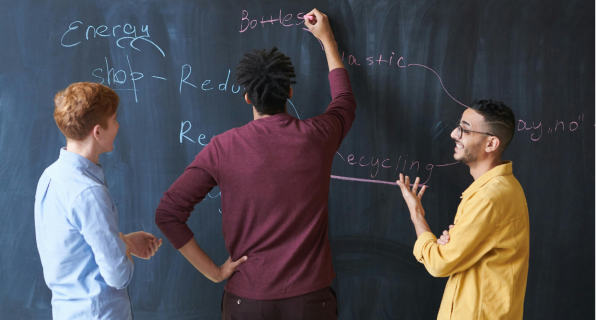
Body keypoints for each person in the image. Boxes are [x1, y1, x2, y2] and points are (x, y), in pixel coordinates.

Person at [155, 8, 354, 320]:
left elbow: (168, 214)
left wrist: (214, 272)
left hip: (246, 301)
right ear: (289, 92)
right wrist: (327, 39)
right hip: (310, 302)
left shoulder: (222, 148)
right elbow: (344, 102)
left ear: (248, 97)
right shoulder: (318, 137)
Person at [35, 82, 162, 320]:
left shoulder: (50, 176)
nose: (118, 125)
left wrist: (123, 241)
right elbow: (118, 275)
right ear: (97, 132)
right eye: (114, 120)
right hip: (99, 313)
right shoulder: (89, 192)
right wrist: (123, 250)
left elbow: (71, 247)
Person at [396, 99, 530, 319]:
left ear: (491, 144)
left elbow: (439, 263)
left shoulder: (489, 197)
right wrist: (454, 243)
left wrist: (417, 215)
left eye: (465, 130)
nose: (454, 134)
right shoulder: (500, 188)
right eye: (458, 127)